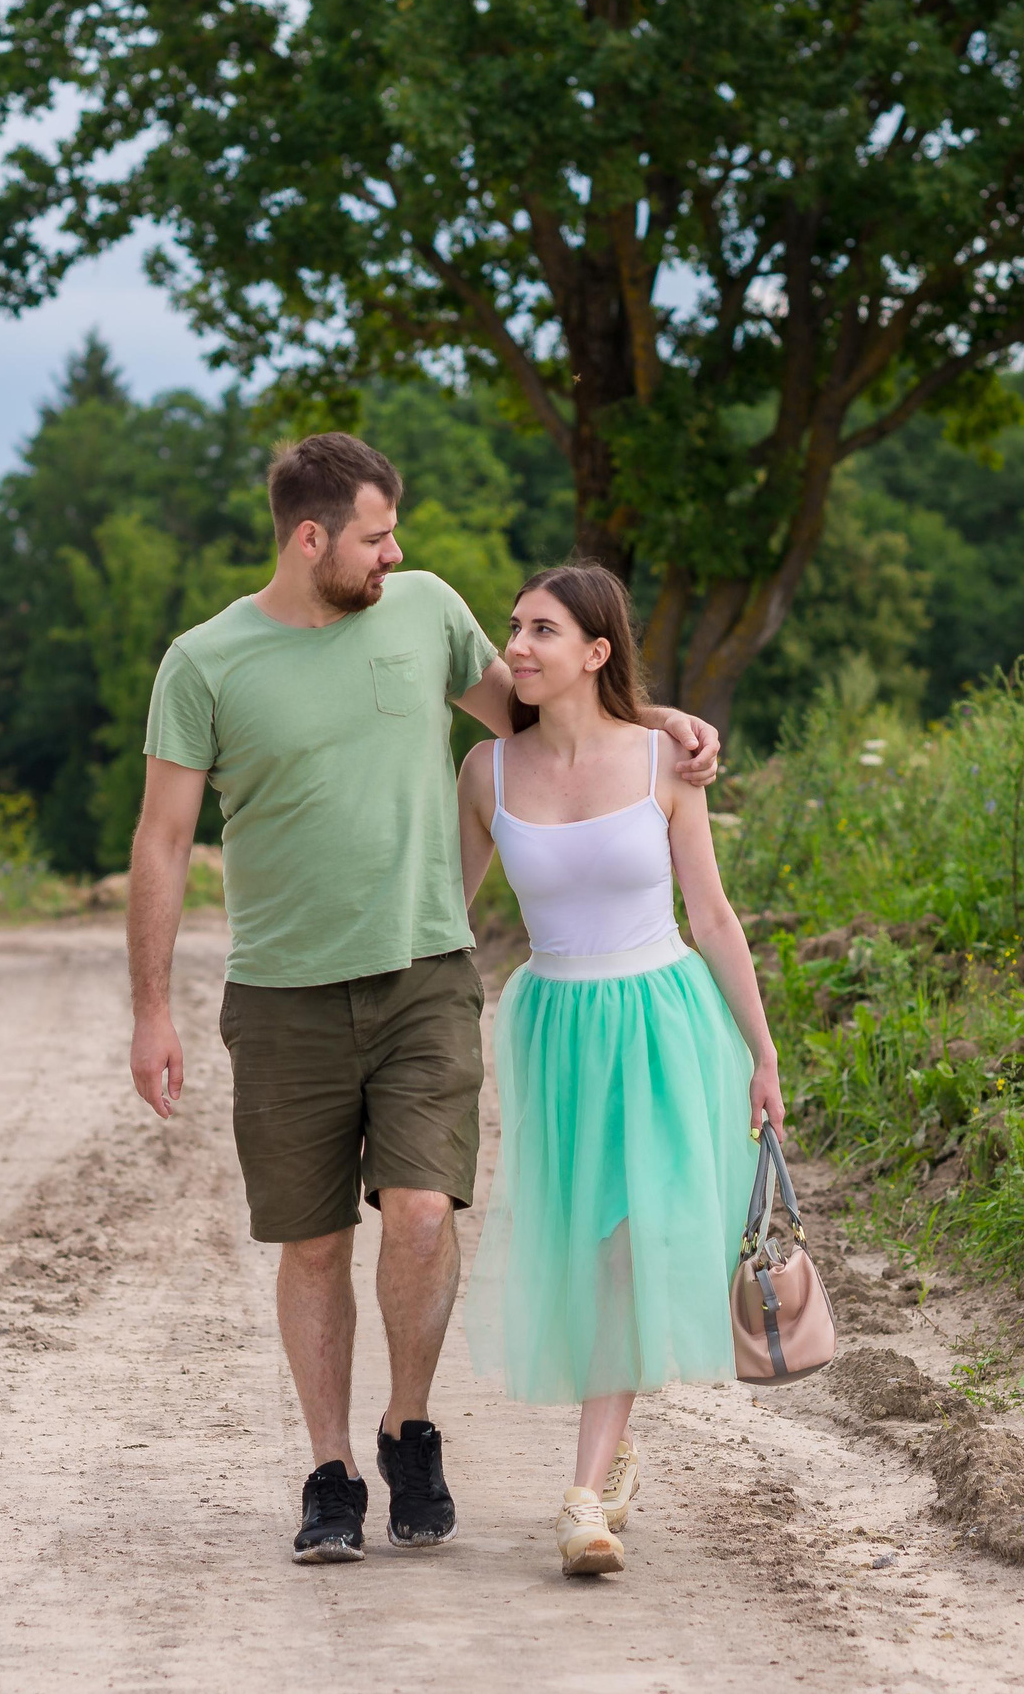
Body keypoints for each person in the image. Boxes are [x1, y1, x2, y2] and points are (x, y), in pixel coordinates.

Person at [126, 434, 721, 1565]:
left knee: (420, 1213)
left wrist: (659, 724)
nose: (394, 552)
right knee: (312, 1245)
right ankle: (330, 1471)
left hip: (424, 976)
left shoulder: (428, 610)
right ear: (312, 539)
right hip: (282, 992)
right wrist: (151, 1007)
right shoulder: (203, 663)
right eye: (375, 536)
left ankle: (408, 1428)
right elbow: (161, 841)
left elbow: (547, 720)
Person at [455, 563, 784, 1578]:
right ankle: (616, 1451)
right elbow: (443, 916)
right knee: (587, 1238)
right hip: (556, 1029)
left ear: (596, 652)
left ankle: (582, 1494)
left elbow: (712, 916)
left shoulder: (662, 762)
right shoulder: (486, 772)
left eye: (541, 630)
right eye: (514, 627)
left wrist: (763, 1053)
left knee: (630, 1246)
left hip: (663, 1020)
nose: (516, 646)